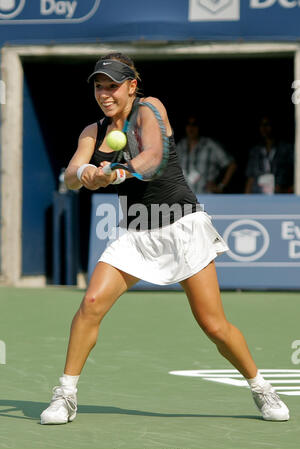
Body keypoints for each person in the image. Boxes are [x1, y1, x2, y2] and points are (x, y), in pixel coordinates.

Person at [40, 53, 289, 425]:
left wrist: (119, 173)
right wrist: (88, 172)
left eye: (112, 86)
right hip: (135, 233)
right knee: (91, 302)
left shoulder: (149, 108)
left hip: (182, 228)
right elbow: (72, 174)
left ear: (132, 85)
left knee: (214, 326)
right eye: (99, 86)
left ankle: (260, 387)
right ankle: (66, 394)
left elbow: (154, 157)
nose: (105, 93)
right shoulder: (92, 132)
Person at [176, 115, 237, 194]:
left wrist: (221, 186)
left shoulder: (210, 145)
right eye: (188, 124)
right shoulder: (180, 145)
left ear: (199, 127)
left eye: (194, 124)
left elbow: (232, 165)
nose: (191, 128)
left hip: (206, 198)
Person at [245, 115, 294, 194]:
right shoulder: (255, 151)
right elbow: (250, 178)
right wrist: (246, 200)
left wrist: (289, 190)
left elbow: (296, 172)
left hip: (280, 195)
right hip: (258, 195)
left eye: (267, 125)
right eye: (261, 125)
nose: (264, 129)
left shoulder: (287, 149)